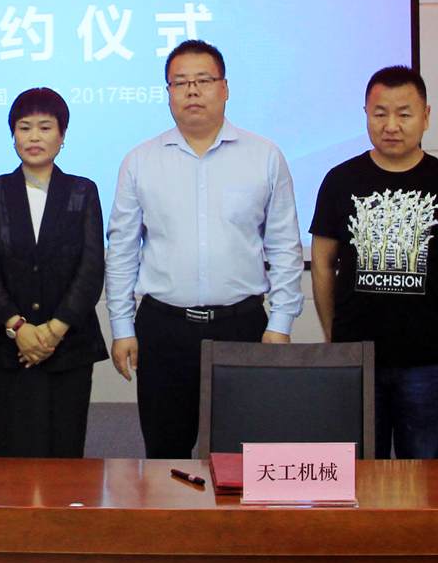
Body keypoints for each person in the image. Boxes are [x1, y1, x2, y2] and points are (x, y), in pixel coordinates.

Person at [106, 39, 304, 459]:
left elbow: (285, 246)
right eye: (180, 82)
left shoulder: (264, 156)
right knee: (165, 457)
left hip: (242, 326)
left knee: (242, 457)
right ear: (168, 93)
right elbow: (122, 250)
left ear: (225, 88)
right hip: (163, 329)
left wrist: (281, 321)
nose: (192, 91)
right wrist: (122, 328)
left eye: (203, 80)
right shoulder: (140, 161)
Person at [310, 66, 438, 458]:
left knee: (423, 472)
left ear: (426, 116)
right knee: (358, 470)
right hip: (358, 355)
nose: (391, 125)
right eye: (379, 113)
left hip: (428, 358)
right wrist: (334, 337)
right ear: (366, 115)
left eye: (404, 114)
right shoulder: (340, 180)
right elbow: (322, 264)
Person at [0, 88, 110, 457]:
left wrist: (53, 330)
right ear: (12, 134)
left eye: (45, 127)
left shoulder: (82, 191)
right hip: (7, 349)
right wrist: (18, 328)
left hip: (69, 347)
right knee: (9, 456)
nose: (34, 137)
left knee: (65, 455)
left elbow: (91, 267)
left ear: (62, 136)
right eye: (24, 127)